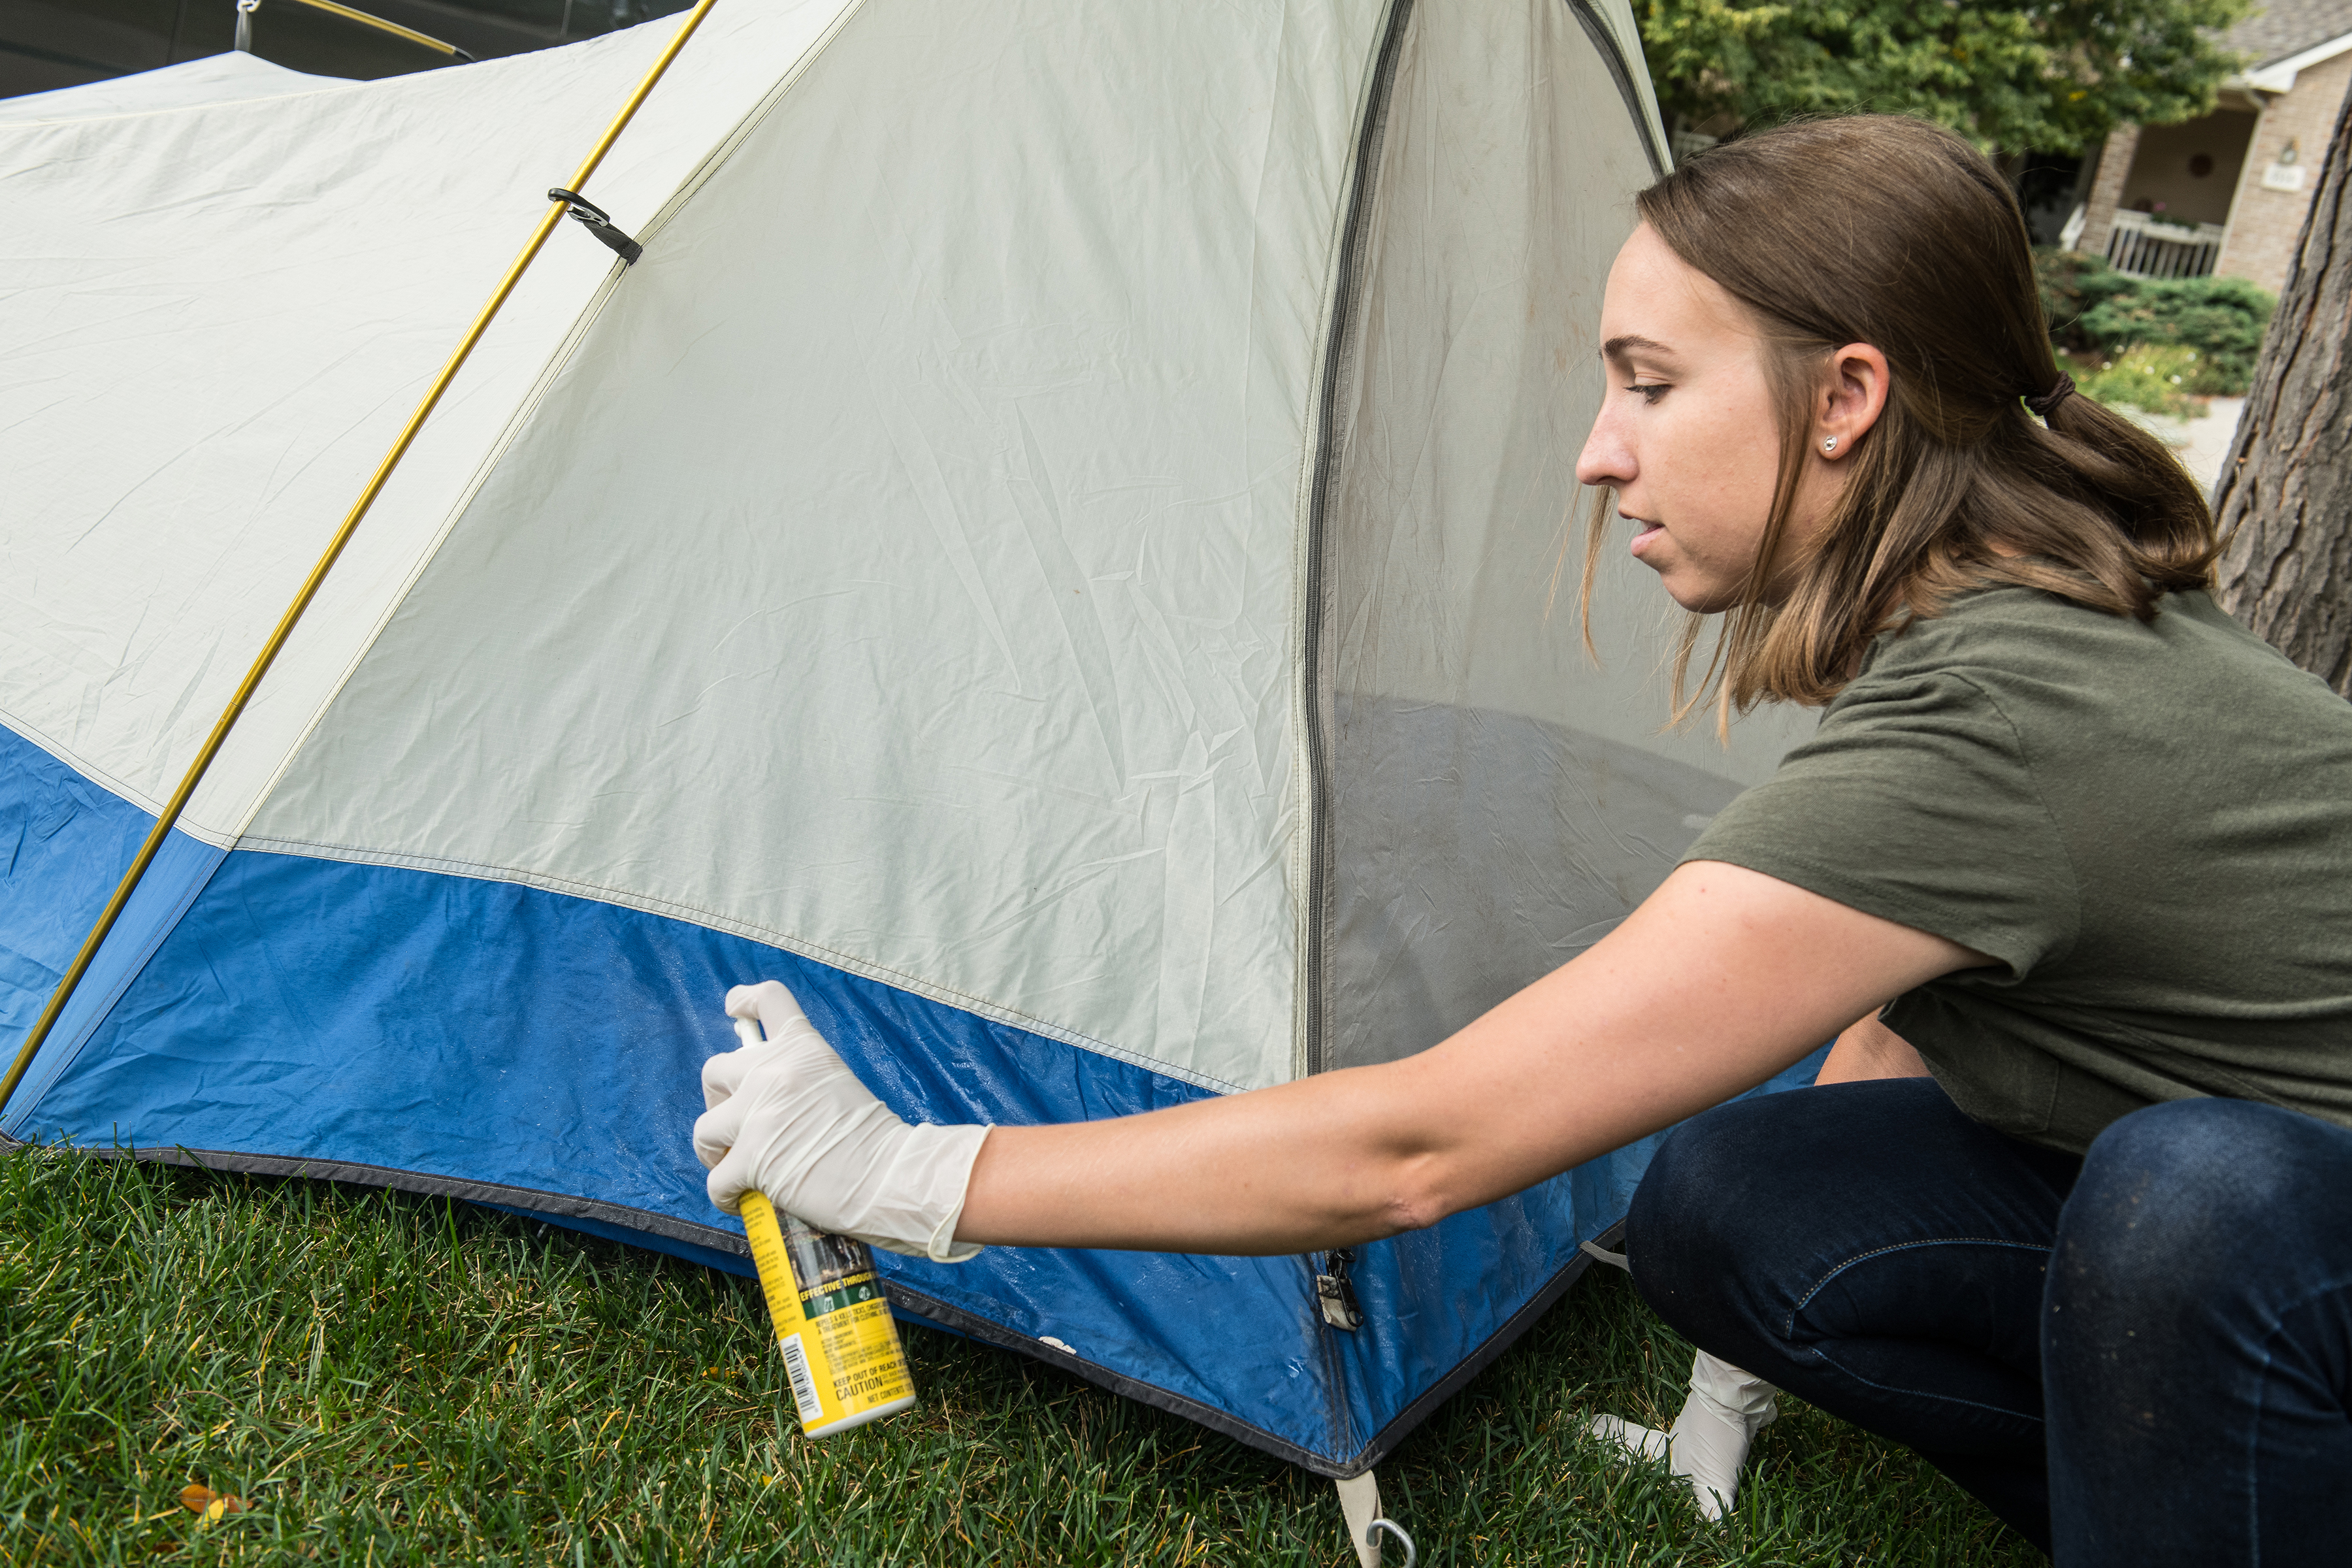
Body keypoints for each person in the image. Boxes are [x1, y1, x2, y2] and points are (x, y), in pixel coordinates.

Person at [691, 115, 2352, 1563]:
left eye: (1650, 383)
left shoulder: (2001, 709)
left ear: (1848, 395)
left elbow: (1418, 1148)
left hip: (2270, 1221)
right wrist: (1750, 1353)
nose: (1596, 450)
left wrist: (907, 1174)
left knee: (2193, 1200)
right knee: (1732, 1199)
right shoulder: (2006, 627)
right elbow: (1910, 989)